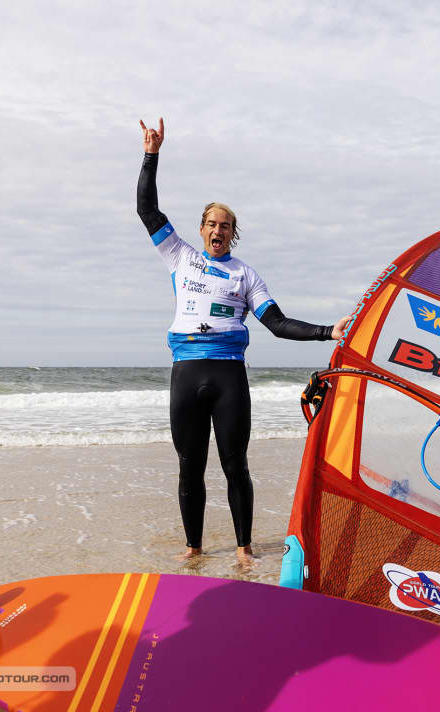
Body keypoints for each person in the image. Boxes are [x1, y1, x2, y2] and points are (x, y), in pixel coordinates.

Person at [137, 117, 347, 568]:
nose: (218, 231)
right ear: (201, 228)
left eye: (226, 226)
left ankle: (243, 549)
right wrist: (151, 155)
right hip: (187, 373)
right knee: (189, 467)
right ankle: (194, 548)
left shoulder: (245, 274)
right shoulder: (179, 256)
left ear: (233, 233)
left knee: (236, 465)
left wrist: (328, 331)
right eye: (212, 223)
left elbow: (278, 322)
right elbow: (147, 211)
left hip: (229, 374)